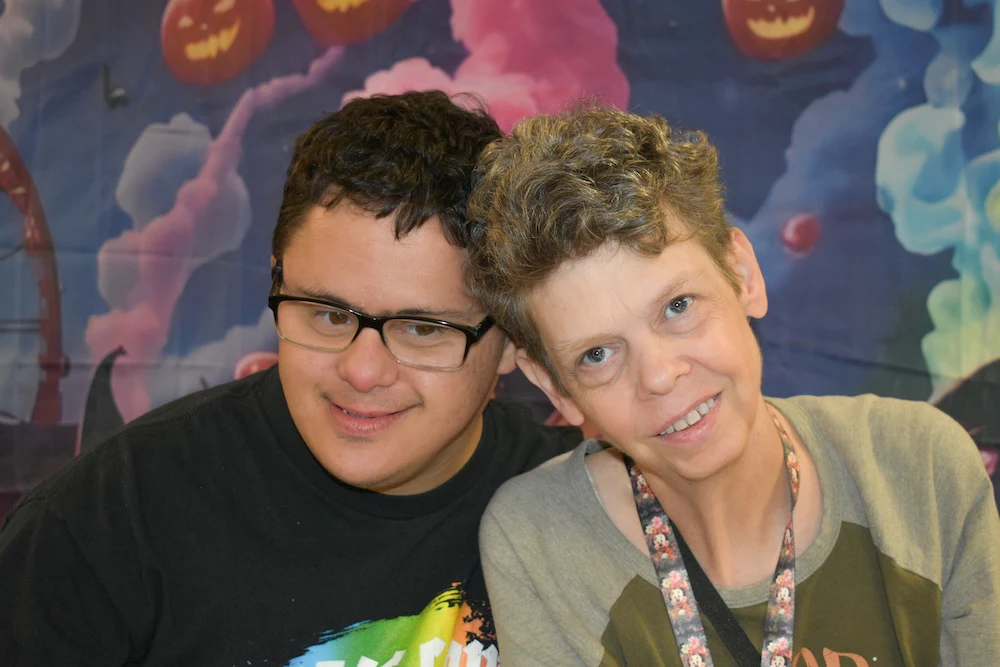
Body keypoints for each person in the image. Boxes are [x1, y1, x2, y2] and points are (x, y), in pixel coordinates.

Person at [0, 91, 580, 665]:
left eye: (422, 329)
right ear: (276, 283)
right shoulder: (103, 524)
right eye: (328, 315)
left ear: (514, 337)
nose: (362, 371)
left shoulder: (592, 510)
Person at [466, 104, 1000, 666]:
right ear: (554, 388)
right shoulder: (538, 538)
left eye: (678, 306)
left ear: (742, 275)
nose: (659, 375)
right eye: (597, 355)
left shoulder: (918, 468)